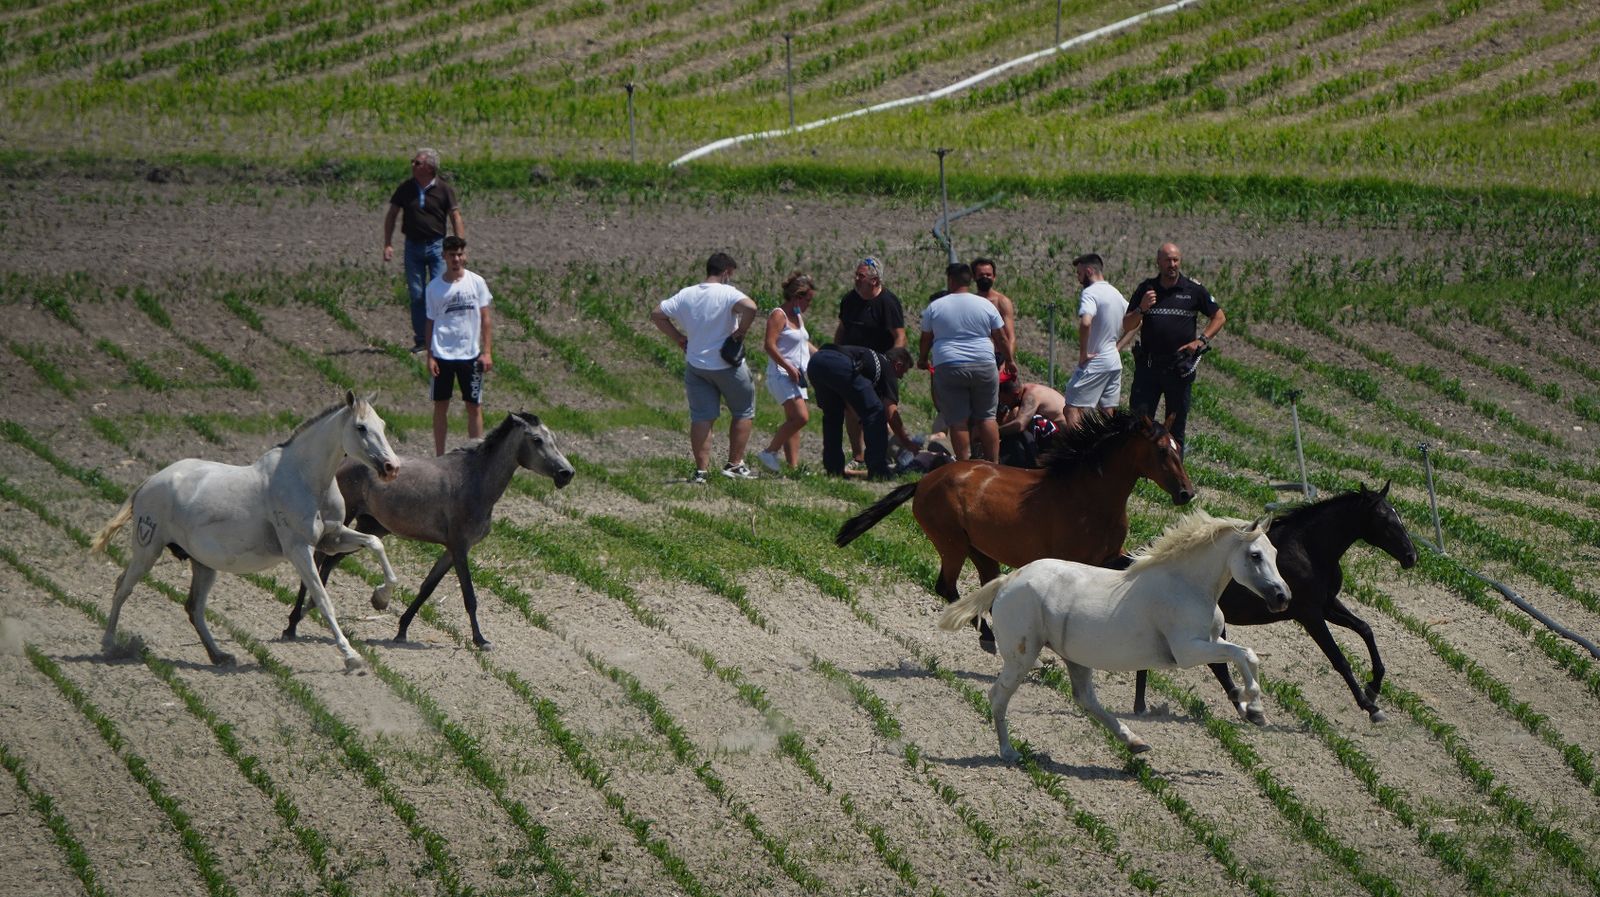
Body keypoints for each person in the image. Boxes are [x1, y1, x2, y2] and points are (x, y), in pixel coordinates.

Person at [651, 252, 761, 483]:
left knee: (701, 417)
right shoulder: (728, 293)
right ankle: (734, 464)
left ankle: (701, 471)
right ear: (726, 272)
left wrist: (679, 338)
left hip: (696, 365)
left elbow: (658, 314)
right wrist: (741, 331)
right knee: (743, 411)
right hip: (727, 364)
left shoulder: (687, 294)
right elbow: (751, 308)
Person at [1122, 242, 1226, 451]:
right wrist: (1142, 309)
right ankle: (1138, 473)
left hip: (1178, 368)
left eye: (1175, 260)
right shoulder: (1146, 289)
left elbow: (1219, 317)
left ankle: (1175, 476)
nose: (1172, 264)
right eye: (1168, 260)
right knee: (1139, 423)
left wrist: (1201, 340)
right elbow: (1127, 325)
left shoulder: (1193, 290)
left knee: (1176, 427)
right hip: (1148, 368)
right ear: (1158, 262)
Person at [918, 262, 1015, 462]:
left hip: (949, 365)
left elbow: (926, 338)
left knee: (958, 420)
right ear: (970, 280)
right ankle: (993, 464)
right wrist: (1010, 360)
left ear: (950, 281)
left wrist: (922, 358)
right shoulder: (985, 304)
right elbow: (1001, 337)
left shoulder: (935, 307)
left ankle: (963, 464)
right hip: (984, 364)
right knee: (987, 417)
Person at [383, 147, 465, 353]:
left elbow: (455, 217)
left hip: (437, 246)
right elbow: (392, 214)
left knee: (439, 293)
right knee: (417, 294)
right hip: (413, 246)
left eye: (417, 162)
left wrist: (459, 247)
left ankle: (441, 338)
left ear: (429, 167)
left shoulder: (444, 189)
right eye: (413, 162)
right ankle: (422, 341)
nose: (413, 165)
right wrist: (388, 243)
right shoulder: (406, 188)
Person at [424, 236, 493, 456]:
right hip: (443, 354)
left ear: (465, 255)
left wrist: (487, 352)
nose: (457, 259)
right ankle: (439, 455)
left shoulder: (477, 282)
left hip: (470, 355)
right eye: (452, 254)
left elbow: (485, 319)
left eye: (460, 254)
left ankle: (477, 454)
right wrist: (430, 356)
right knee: (441, 405)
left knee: (474, 406)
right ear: (444, 256)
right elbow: (430, 322)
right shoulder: (434, 288)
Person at [834, 257, 905, 469]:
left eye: (861, 276)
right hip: (852, 363)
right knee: (851, 409)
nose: (856, 279)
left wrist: (893, 360)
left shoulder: (887, 302)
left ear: (874, 280)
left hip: (880, 364)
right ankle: (859, 456)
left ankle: (904, 449)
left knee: (886, 410)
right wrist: (836, 352)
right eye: (856, 274)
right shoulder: (849, 300)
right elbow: (842, 328)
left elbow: (899, 335)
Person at [806, 344, 917, 479]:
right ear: (898, 365)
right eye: (903, 372)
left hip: (816, 362)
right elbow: (890, 413)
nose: (900, 378)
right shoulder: (888, 368)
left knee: (832, 416)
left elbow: (855, 404)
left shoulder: (869, 361)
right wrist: (907, 443)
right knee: (876, 412)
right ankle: (878, 470)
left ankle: (833, 469)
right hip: (839, 363)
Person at [757, 272, 820, 473]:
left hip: (797, 376)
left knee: (794, 421)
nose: (809, 305)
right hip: (781, 375)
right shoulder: (779, 315)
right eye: (808, 300)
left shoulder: (798, 316)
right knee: (801, 417)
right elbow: (769, 345)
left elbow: (803, 342)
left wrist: (822, 357)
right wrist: (787, 367)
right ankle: (769, 453)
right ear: (797, 297)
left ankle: (793, 468)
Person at [1062, 253, 1129, 431]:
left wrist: (1083, 353)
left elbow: (1085, 322)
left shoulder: (1090, 293)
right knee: (1107, 413)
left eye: (1079, 273)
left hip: (1095, 361)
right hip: (1113, 361)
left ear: (1088, 270)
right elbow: (1136, 322)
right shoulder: (1115, 293)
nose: (1078, 278)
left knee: (1071, 408)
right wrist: (1118, 347)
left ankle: (1076, 454)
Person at [997, 373, 1067, 468]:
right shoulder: (1025, 390)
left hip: (1064, 436)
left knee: (1022, 421)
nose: (1003, 403)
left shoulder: (1031, 395)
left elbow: (1019, 425)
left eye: (1004, 400)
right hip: (1057, 432)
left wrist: (995, 432)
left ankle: (1030, 463)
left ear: (1015, 394)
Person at [971, 257, 1017, 365]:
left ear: (994, 277)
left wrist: (1007, 361)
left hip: (999, 357)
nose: (985, 278)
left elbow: (1010, 337)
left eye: (988, 275)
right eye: (981, 275)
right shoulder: (970, 302)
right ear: (974, 277)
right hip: (976, 357)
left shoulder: (1002, 302)